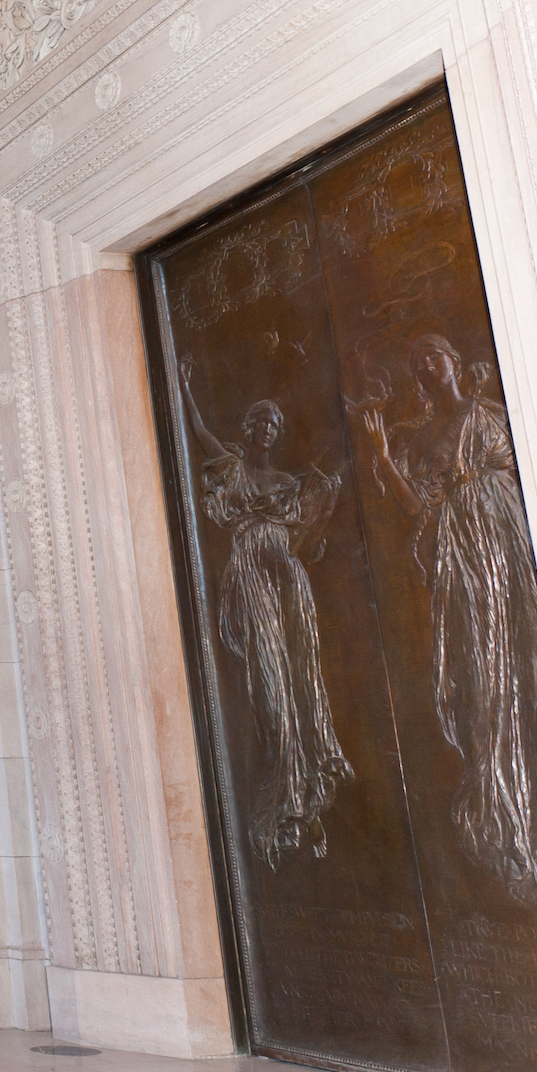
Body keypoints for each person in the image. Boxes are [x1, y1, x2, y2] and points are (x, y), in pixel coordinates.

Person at [357, 333, 537, 904]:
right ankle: (505, 815)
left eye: (434, 354)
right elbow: (417, 506)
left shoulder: (489, 412)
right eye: (417, 361)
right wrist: (381, 456)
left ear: (451, 361)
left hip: (508, 543)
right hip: (462, 562)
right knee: (484, 678)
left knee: (527, 663)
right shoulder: (418, 439)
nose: (426, 364)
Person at [182, 358, 351, 867]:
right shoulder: (233, 470)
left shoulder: (290, 483)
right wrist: (186, 388)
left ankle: (308, 788)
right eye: (259, 421)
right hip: (251, 578)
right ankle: (282, 788)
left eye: (274, 424)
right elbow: (200, 432)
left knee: (302, 676)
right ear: (248, 427)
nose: (266, 428)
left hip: (288, 580)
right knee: (270, 681)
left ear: (278, 435)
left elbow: (309, 529)